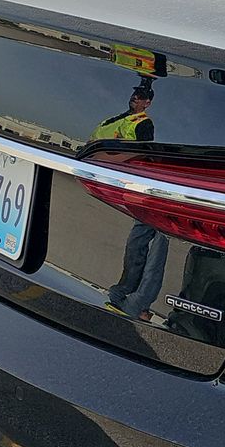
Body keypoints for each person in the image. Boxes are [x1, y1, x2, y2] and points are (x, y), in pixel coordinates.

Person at [96, 82, 167, 321]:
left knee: (160, 240)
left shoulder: (143, 123)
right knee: (139, 239)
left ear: (148, 103)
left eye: (142, 96)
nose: (135, 97)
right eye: (135, 93)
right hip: (125, 185)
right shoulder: (117, 119)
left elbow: (146, 154)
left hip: (149, 186)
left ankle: (138, 304)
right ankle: (124, 292)